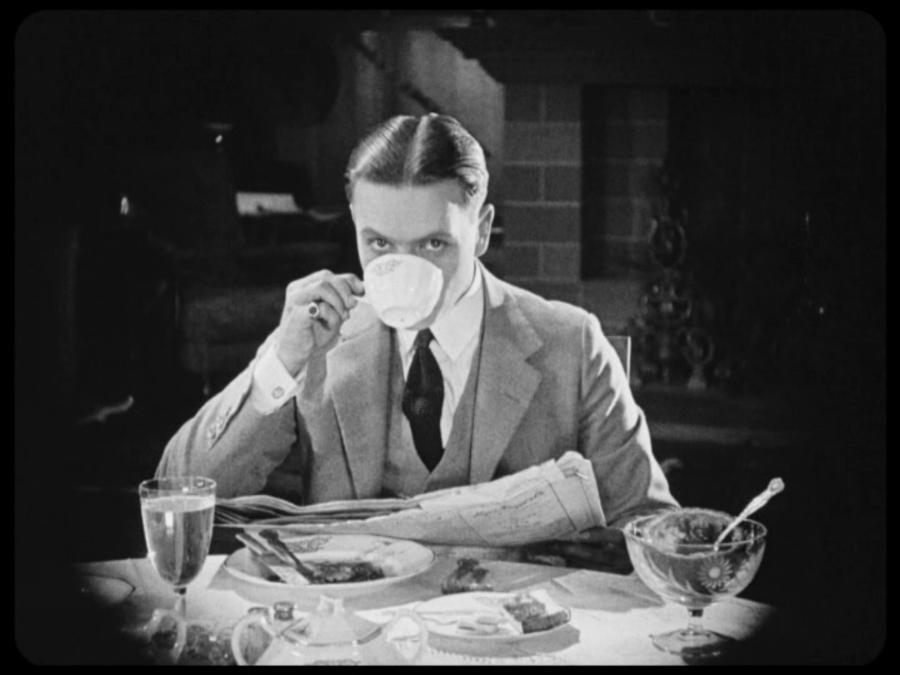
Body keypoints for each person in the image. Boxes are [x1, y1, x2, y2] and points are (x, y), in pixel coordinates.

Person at [156, 113, 678, 571]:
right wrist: (281, 362)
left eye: (433, 243)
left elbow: (648, 526)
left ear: (482, 230)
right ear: (356, 228)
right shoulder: (317, 339)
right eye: (379, 243)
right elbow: (178, 489)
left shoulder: (572, 344)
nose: (403, 267)